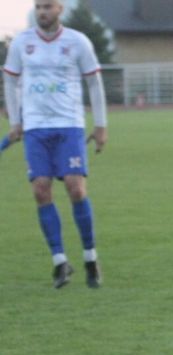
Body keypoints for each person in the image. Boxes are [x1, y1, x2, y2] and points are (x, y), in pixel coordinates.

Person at [4, 0, 107, 289]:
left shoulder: (78, 41)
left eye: (47, 6)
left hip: (69, 125)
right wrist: (15, 121)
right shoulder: (22, 43)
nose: (42, 12)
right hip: (36, 128)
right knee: (40, 190)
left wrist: (100, 126)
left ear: (60, 9)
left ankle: (90, 257)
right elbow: (10, 81)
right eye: (38, 7)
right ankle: (60, 262)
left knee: (75, 188)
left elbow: (95, 84)